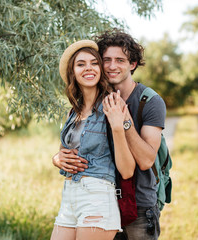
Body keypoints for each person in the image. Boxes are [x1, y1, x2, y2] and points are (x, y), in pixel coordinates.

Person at [53, 30, 166, 240]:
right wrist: (57, 158)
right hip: (91, 196)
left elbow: (145, 161)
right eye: (106, 60)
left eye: (120, 60)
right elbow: (76, 149)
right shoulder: (83, 108)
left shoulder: (148, 102)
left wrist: (122, 122)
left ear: (132, 64)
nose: (112, 66)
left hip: (138, 202)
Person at [50, 40, 136, 240]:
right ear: (73, 72)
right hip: (69, 196)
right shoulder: (74, 112)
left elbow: (127, 170)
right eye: (81, 64)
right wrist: (56, 159)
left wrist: (117, 127)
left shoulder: (113, 104)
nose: (88, 68)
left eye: (94, 63)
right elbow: (64, 155)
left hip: (97, 196)